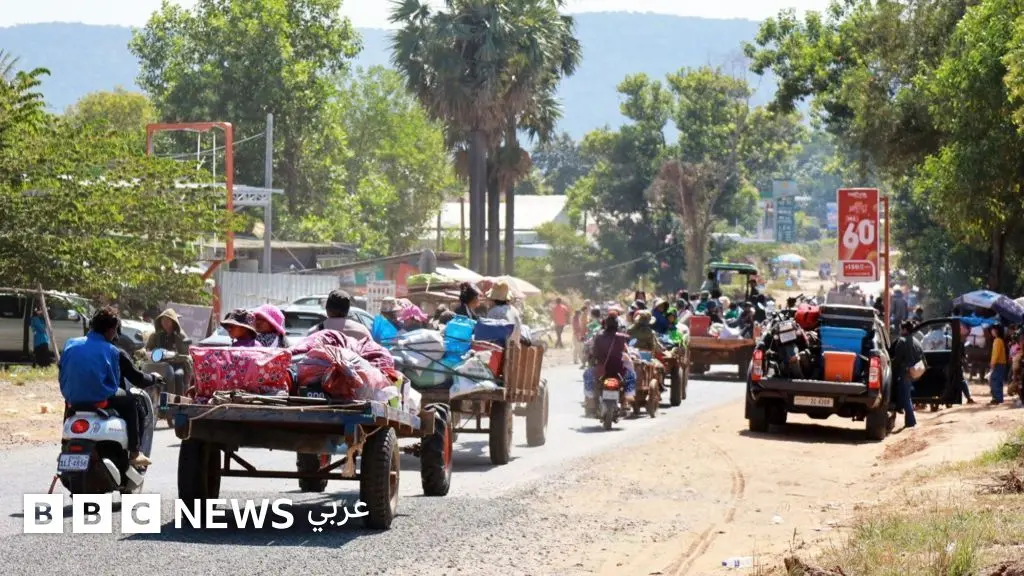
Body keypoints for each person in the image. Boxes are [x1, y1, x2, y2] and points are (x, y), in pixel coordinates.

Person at [59, 306, 160, 467]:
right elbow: (124, 380)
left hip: (72, 398)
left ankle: (64, 445)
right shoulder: (113, 351)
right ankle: (135, 453)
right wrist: (154, 378)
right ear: (111, 330)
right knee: (132, 401)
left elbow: (62, 370)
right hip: (101, 398)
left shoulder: (70, 344)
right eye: (115, 330)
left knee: (69, 405)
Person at [583, 315, 636, 416]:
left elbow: (594, 352)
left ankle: (590, 400)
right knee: (631, 375)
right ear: (617, 325)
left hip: (601, 370)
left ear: (605, 325)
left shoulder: (598, 337)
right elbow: (626, 351)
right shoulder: (622, 337)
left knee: (587, 374)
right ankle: (627, 398)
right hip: (619, 370)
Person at [145, 308, 193, 386]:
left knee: (178, 375)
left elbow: (186, 356)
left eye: (167, 320)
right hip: (158, 364)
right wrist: (152, 353)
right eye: (163, 320)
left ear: (173, 322)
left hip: (177, 364)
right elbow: (148, 349)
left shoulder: (180, 336)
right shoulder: (155, 335)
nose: (165, 322)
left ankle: (178, 397)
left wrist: (174, 356)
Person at [891, 320, 922, 429]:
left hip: (904, 372)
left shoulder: (902, 341)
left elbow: (897, 360)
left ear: (904, 329)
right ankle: (908, 418)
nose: (900, 331)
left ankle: (911, 421)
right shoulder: (916, 341)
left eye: (901, 329)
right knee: (905, 394)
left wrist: (890, 368)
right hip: (914, 372)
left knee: (906, 397)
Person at [989, 325, 1008, 405]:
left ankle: (997, 399)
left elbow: (996, 354)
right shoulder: (1000, 340)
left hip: (998, 364)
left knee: (994, 380)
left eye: (993, 330)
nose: (991, 332)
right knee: (998, 381)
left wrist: (992, 363)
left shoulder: (997, 340)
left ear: (996, 331)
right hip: (1001, 364)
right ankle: (999, 399)